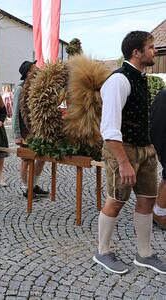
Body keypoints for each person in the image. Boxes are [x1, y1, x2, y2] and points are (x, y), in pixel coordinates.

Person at [93, 31, 166, 274]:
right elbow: (110, 129)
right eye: (151, 47)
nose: (154, 51)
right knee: (116, 201)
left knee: (147, 200)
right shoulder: (119, 80)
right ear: (136, 52)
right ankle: (102, 251)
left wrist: (150, 148)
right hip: (122, 151)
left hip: (144, 150)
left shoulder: (141, 78)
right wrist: (124, 163)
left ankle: (144, 254)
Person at [12, 60, 49, 199]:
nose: (38, 68)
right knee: (27, 160)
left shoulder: (38, 86)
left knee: (42, 158)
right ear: (29, 72)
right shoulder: (20, 89)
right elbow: (15, 113)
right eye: (34, 68)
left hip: (37, 131)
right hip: (25, 131)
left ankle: (33, 185)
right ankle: (25, 188)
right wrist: (17, 134)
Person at [150, 89, 166, 229]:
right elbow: (156, 125)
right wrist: (157, 148)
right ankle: (159, 214)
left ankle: (158, 209)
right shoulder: (164, 95)